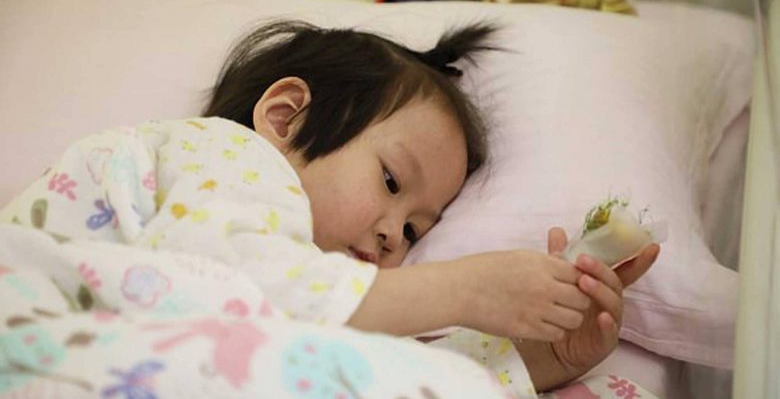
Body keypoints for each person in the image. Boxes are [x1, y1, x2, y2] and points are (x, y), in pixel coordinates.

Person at [0, 20, 658, 396]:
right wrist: (462, 289)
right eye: (391, 180)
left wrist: (544, 357)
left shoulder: (310, 288)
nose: (393, 236)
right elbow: (219, 284)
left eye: (415, 230)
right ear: (286, 117)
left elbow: (316, 345)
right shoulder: (223, 154)